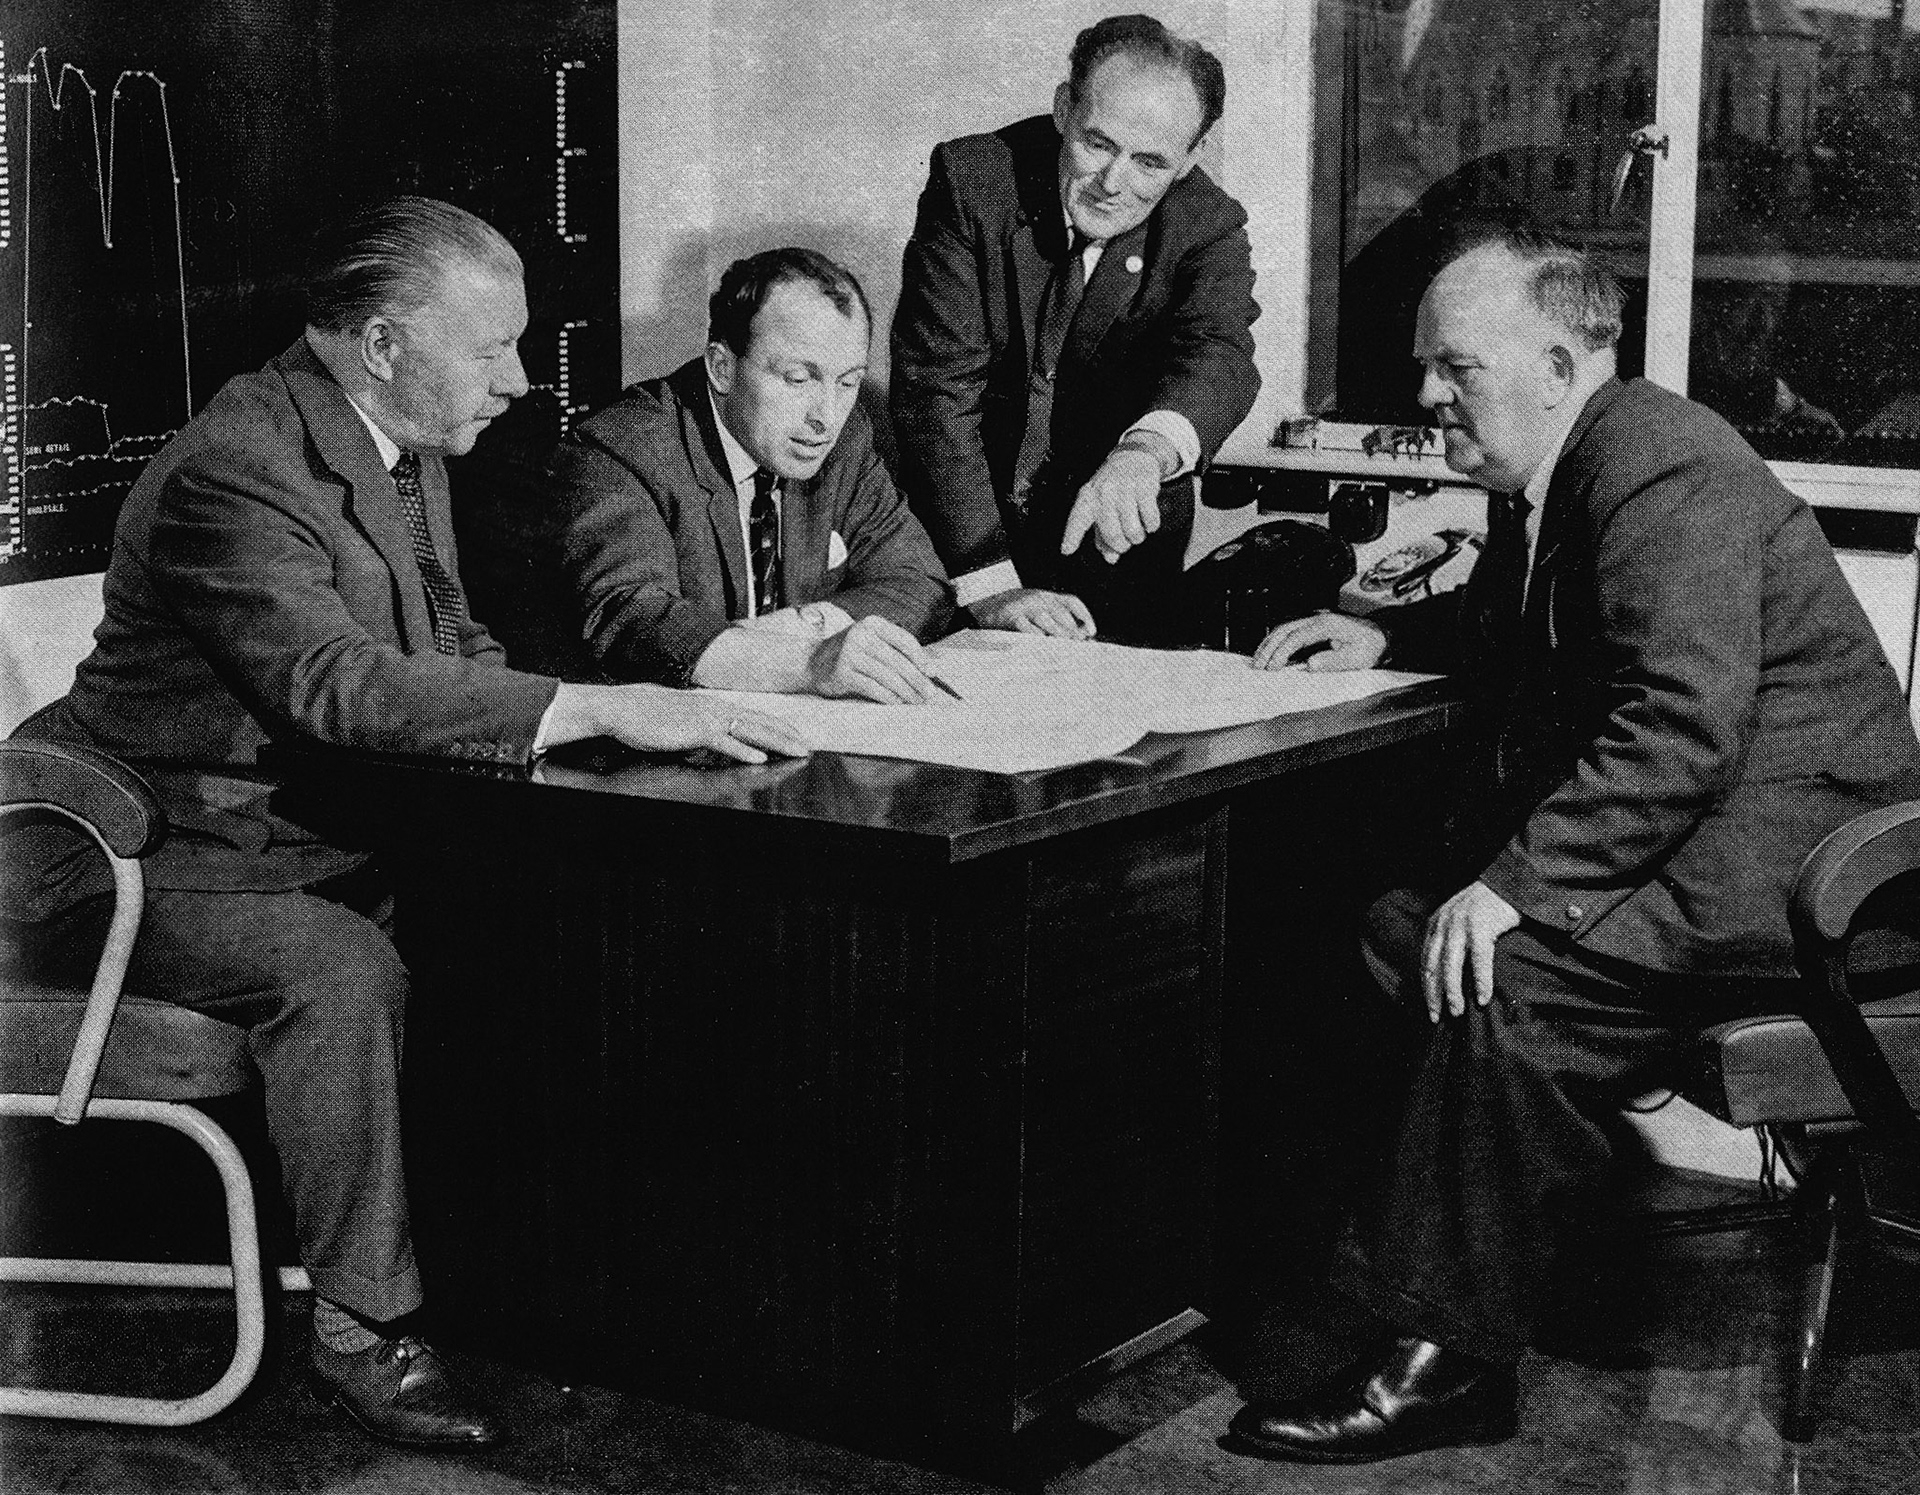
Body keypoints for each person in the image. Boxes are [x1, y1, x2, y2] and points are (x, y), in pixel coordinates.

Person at [2, 197, 806, 1450]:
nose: (520, 380)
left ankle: (561, 1284)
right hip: (126, 862)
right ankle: (361, 1331)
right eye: (491, 349)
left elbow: (448, 643)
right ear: (381, 344)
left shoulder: (396, 446)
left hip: (276, 838)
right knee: (339, 967)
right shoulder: (242, 463)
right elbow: (335, 683)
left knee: (540, 915)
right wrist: (607, 704)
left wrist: (602, 733)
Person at [1225, 227, 1920, 1464]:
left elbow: (1679, 723)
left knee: (1497, 980)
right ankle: (1453, 1245)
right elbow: (1544, 628)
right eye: (1427, 366)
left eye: (1458, 368)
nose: (1430, 393)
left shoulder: (1661, 472)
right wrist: (1384, 637)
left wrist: (1512, 890)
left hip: (1810, 880)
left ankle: (1448, 1365)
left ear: (1555, 364)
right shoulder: (1579, 460)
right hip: (1732, 843)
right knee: (1394, 921)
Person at [890, 12, 1259, 646]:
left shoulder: (1208, 223)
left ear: (1191, 156)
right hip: (965, 544)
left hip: (1117, 554)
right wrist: (988, 581)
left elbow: (1220, 355)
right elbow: (937, 394)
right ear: (1064, 109)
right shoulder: (973, 181)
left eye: (1150, 162)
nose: (1115, 183)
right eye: (1097, 143)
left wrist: (1145, 452)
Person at [549, 248, 952, 701]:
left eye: (848, 381)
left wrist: (811, 625)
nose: (827, 416)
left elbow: (921, 583)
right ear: (722, 368)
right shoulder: (621, 450)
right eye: (799, 379)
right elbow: (630, 616)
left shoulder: (844, 437)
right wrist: (806, 663)